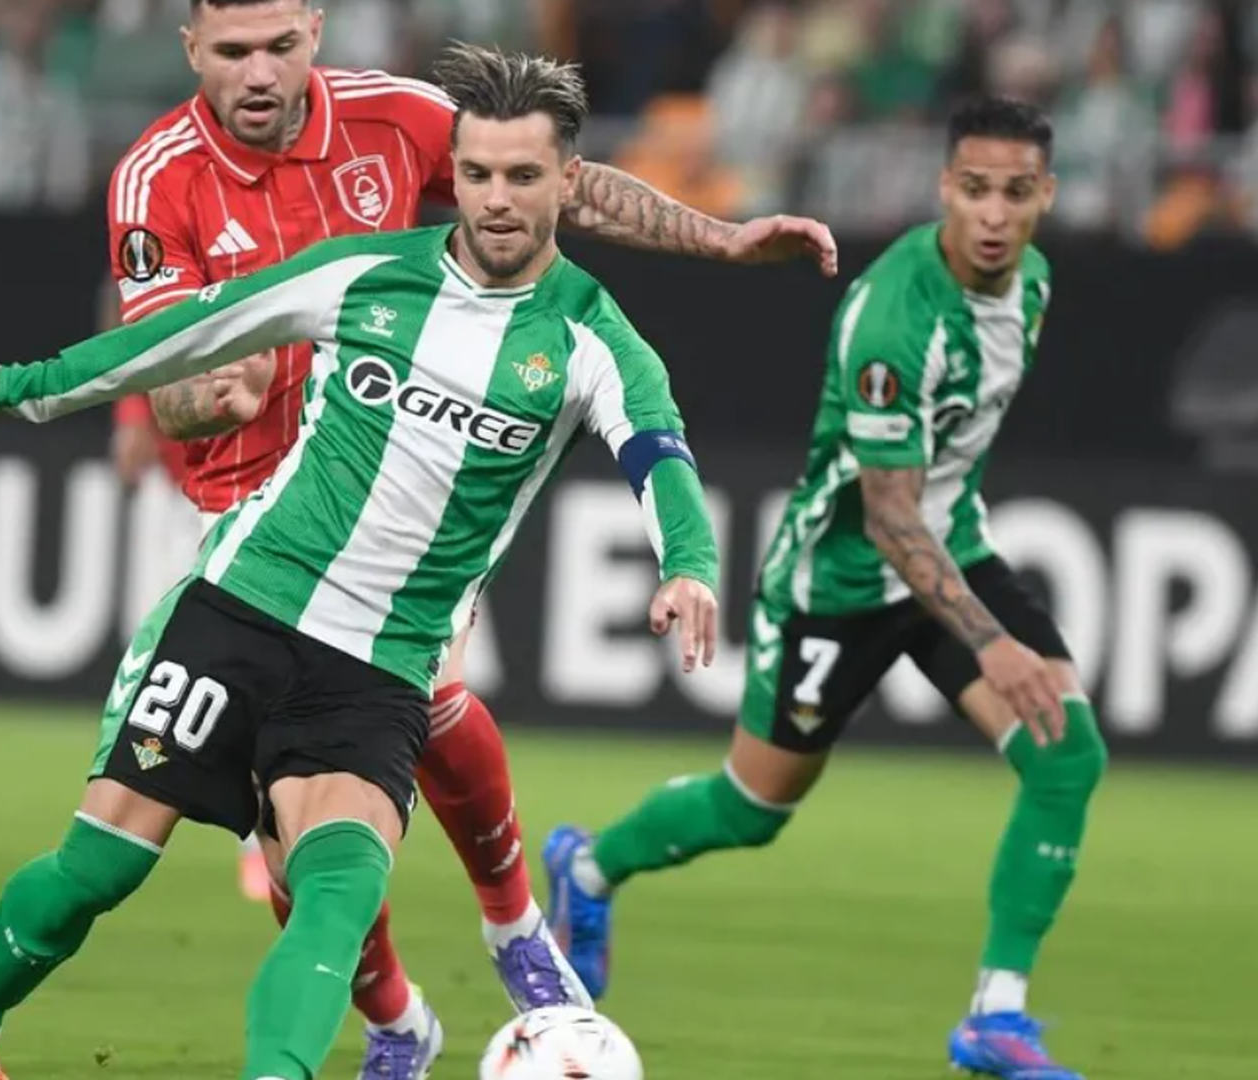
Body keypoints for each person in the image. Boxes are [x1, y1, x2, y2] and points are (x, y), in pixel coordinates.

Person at [0, 43, 721, 1080]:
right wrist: (25, 385)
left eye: (524, 176)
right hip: (242, 608)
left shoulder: (592, 341)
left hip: (381, 668)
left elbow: (660, 455)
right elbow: (187, 336)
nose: (496, 199)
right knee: (95, 873)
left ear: (569, 180)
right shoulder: (366, 274)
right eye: (476, 174)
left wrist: (688, 563)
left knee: (335, 903)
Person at [102, 0, 837, 1070]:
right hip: (252, 516)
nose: (259, 72)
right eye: (233, 52)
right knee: (294, 834)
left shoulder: (396, 119)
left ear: (314, 31)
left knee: (427, 692)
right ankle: (399, 1020)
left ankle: (514, 925)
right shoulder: (153, 177)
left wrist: (718, 236)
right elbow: (156, 384)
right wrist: (209, 391)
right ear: (192, 51)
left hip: (403, 487)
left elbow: (549, 184)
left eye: (278, 46)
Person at [542, 97, 1102, 1080]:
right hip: (837, 578)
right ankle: (588, 868)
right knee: (755, 807)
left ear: (1045, 197)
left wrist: (981, 614)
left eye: (1017, 193)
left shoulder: (1036, 286)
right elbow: (887, 517)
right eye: (974, 190)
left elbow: (937, 488)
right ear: (944, 189)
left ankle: (995, 1019)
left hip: (947, 546)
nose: (994, 215)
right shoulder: (897, 315)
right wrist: (993, 641)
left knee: (1067, 753)